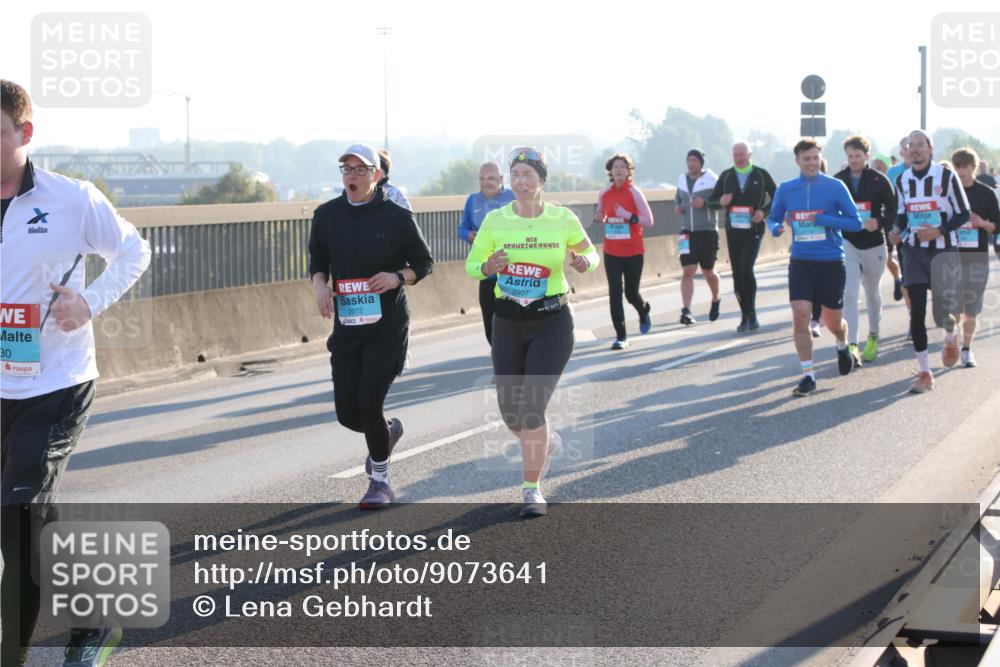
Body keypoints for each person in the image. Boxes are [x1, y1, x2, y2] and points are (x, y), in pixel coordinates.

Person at [1, 79, 151, 667]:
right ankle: (94, 619)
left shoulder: (70, 199)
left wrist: (88, 303)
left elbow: (134, 250)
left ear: (26, 133)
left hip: (56, 384)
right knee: (28, 521)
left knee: (19, 519)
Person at [465, 147, 599, 517]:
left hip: (552, 323)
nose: (521, 182)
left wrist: (583, 261)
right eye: (516, 174)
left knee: (531, 408)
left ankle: (532, 489)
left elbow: (592, 254)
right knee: (511, 414)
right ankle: (546, 442)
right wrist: (488, 265)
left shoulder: (562, 218)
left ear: (541, 180)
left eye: (528, 174)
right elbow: (472, 265)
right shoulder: (496, 221)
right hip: (507, 323)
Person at [309, 143, 433, 508]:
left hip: (387, 326)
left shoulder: (396, 215)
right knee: (348, 413)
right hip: (347, 326)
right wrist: (320, 286)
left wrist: (397, 277)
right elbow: (318, 260)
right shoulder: (327, 215)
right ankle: (387, 432)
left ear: (376, 176)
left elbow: (424, 264)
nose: (353, 176)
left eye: (361, 170)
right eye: (347, 169)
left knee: (369, 401)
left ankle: (380, 482)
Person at [767, 139, 876, 396]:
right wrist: (776, 228)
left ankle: (842, 343)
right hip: (802, 261)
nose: (812, 163)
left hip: (830, 261)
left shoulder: (835, 186)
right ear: (797, 161)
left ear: (820, 159)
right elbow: (773, 217)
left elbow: (854, 223)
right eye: (807, 159)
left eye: (816, 158)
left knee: (833, 321)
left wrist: (824, 219)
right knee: (800, 313)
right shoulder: (786, 189)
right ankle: (808, 374)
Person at [888, 130, 970, 393]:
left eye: (920, 145)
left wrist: (939, 231)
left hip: (943, 249)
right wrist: (895, 231)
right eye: (911, 146)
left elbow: (963, 212)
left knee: (943, 309)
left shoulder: (946, 176)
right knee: (918, 312)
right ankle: (925, 373)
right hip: (913, 251)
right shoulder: (903, 180)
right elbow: (902, 213)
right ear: (906, 151)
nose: (915, 150)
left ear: (930, 149)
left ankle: (950, 336)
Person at [834, 135, 897, 364]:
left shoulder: (879, 180)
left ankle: (873, 335)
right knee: (849, 293)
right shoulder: (839, 180)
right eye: (850, 156)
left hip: (873, 243)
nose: (853, 160)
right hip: (849, 241)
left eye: (857, 156)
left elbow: (892, 210)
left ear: (866, 156)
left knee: (872, 292)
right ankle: (852, 344)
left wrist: (878, 223)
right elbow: (831, 210)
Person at [710, 141, 777, 332]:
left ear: (749, 155)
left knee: (746, 268)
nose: (738, 158)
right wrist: (720, 201)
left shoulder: (761, 174)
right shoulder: (726, 176)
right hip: (733, 231)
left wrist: (763, 212)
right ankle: (744, 315)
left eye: (742, 154)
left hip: (754, 230)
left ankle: (752, 314)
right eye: (735, 155)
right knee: (737, 274)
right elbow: (712, 202)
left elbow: (777, 197)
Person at [595, 153, 654, 349]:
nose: (619, 170)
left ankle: (643, 309)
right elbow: (602, 216)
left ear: (629, 171)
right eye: (615, 167)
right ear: (610, 171)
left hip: (633, 251)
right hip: (612, 251)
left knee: (630, 293)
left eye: (623, 167)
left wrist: (628, 215)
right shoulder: (604, 194)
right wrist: (599, 216)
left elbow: (649, 221)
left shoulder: (634, 193)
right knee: (614, 292)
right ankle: (621, 336)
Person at [951, 148, 1000, 368]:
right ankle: (952, 339)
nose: (961, 170)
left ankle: (966, 350)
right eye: (957, 166)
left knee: (971, 309)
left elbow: (997, 226)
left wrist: (981, 223)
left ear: (973, 167)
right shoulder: (948, 192)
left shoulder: (986, 193)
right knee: (954, 308)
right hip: (952, 257)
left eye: (965, 166)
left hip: (977, 257)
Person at [458, 162, 516, 346]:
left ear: (501, 179)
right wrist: (469, 235)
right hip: (487, 271)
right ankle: (497, 352)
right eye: (482, 179)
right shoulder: (472, 200)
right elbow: (462, 228)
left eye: (491, 178)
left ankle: (512, 355)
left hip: (514, 272)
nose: (485, 183)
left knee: (512, 320)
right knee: (489, 319)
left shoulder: (513, 197)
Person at [674, 149, 720, 326]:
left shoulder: (712, 179)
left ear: (701, 162)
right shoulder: (682, 179)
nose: (691, 163)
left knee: (708, 271)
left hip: (707, 232)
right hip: (687, 232)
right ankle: (686, 310)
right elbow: (677, 198)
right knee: (687, 271)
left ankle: (715, 298)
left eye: (694, 160)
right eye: (689, 160)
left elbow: (721, 203)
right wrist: (678, 206)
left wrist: (705, 203)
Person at [887, 136, 911, 308]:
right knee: (908, 277)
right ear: (901, 152)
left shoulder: (936, 173)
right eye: (907, 147)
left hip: (930, 233)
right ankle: (913, 317)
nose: (911, 149)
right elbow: (888, 204)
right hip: (903, 231)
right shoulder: (893, 173)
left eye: (916, 145)